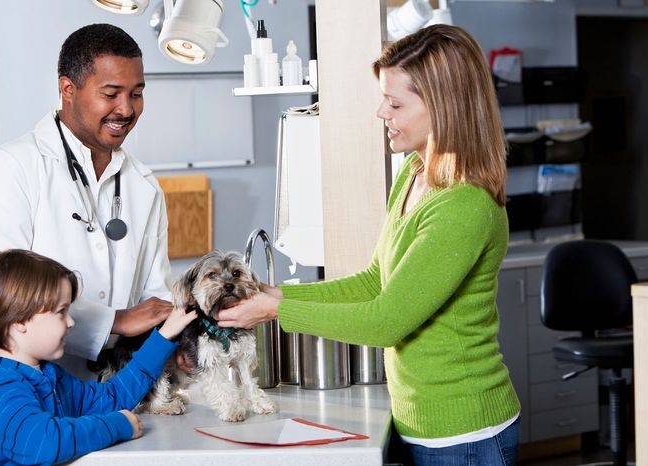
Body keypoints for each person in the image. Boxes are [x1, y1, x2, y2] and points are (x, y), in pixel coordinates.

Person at [218, 24, 521, 465]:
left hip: (465, 434)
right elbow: (375, 282)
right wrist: (275, 293)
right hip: (421, 423)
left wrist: (274, 311)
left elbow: (385, 321)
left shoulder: (464, 204)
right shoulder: (415, 174)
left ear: (444, 107)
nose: (382, 112)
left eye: (395, 103)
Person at [0, 24, 175, 379]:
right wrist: (116, 321)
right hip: (12, 388)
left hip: (109, 388)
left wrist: (173, 341)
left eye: (136, 93)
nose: (126, 109)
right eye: (111, 93)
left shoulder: (142, 185)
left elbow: (154, 299)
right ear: (68, 89)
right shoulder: (13, 169)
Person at [0, 249, 197, 465]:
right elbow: (42, 443)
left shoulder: (46, 375)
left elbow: (112, 397)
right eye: (60, 312)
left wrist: (165, 336)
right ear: (20, 320)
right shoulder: (0, 387)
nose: (70, 322)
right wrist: (116, 425)